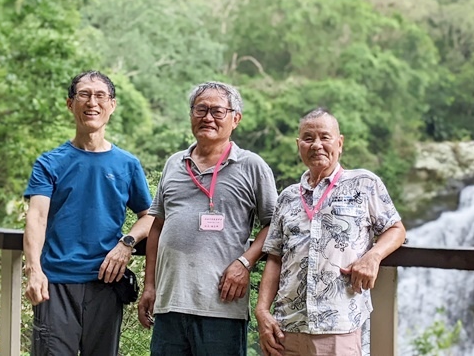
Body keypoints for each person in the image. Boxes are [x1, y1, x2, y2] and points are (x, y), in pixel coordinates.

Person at [137, 81, 278, 356]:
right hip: (169, 304)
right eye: (200, 109)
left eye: (217, 111)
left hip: (222, 306)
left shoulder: (252, 166)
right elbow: (157, 225)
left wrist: (244, 263)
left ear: (235, 118)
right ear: (191, 115)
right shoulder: (174, 163)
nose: (208, 117)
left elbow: (274, 225)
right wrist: (150, 286)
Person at [255, 108, 407, 356]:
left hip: (340, 326)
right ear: (298, 144)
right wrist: (262, 311)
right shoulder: (288, 197)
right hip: (286, 327)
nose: (317, 145)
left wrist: (373, 256)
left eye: (325, 137)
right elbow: (274, 257)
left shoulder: (364, 184)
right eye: (308, 138)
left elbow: (396, 229)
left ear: (340, 142)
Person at [23, 70, 154, 356]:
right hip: (56, 283)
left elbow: (151, 215)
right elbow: (37, 218)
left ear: (112, 105)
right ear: (70, 104)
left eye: (100, 96)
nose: (92, 102)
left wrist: (127, 243)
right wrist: (34, 271)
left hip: (106, 285)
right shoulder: (50, 163)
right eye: (84, 94)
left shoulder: (127, 164)